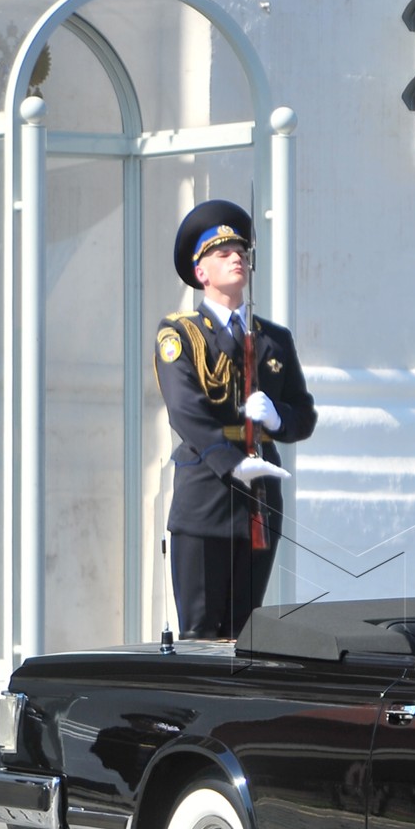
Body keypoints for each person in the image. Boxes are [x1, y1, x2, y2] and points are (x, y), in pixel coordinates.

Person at [154, 199, 315, 639]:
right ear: (201, 272)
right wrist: (231, 461)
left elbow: (303, 415)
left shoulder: (274, 340)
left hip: (260, 501)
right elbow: (185, 410)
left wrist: (278, 419)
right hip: (206, 496)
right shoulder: (180, 334)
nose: (237, 258)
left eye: (241, 251)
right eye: (223, 253)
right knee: (201, 634)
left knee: (247, 634)